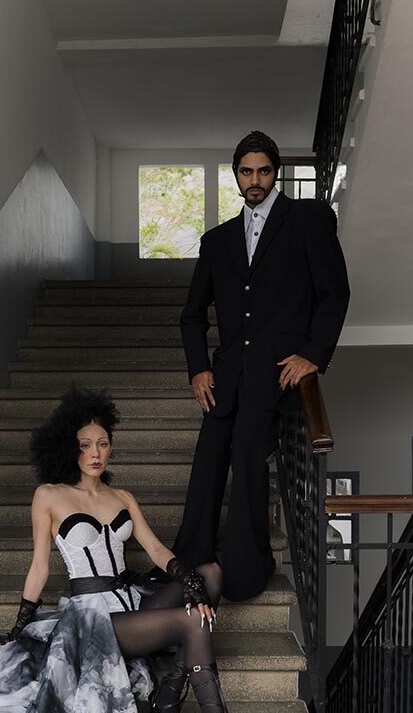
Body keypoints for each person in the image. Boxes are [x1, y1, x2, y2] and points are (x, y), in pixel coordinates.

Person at [0, 387, 227, 713]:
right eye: (85, 445)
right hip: (91, 619)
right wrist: (17, 630)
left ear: (111, 447)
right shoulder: (49, 496)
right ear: (69, 448)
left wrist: (190, 581)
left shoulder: (122, 497)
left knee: (211, 574)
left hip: (131, 602)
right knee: (194, 621)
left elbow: (155, 548)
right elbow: (39, 567)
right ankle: (186, 696)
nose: (95, 454)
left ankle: (170, 690)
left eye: (102, 444)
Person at [170, 131, 350, 601]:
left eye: (263, 171)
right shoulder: (217, 240)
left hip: (275, 373)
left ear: (276, 173)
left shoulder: (307, 219)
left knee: (249, 458)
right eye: (246, 171)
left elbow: (334, 294)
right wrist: (198, 369)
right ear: (236, 174)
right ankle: (190, 562)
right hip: (226, 375)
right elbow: (192, 315)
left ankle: (246, 571)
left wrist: (313, 354)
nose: (255, 180)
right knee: (208, 461)